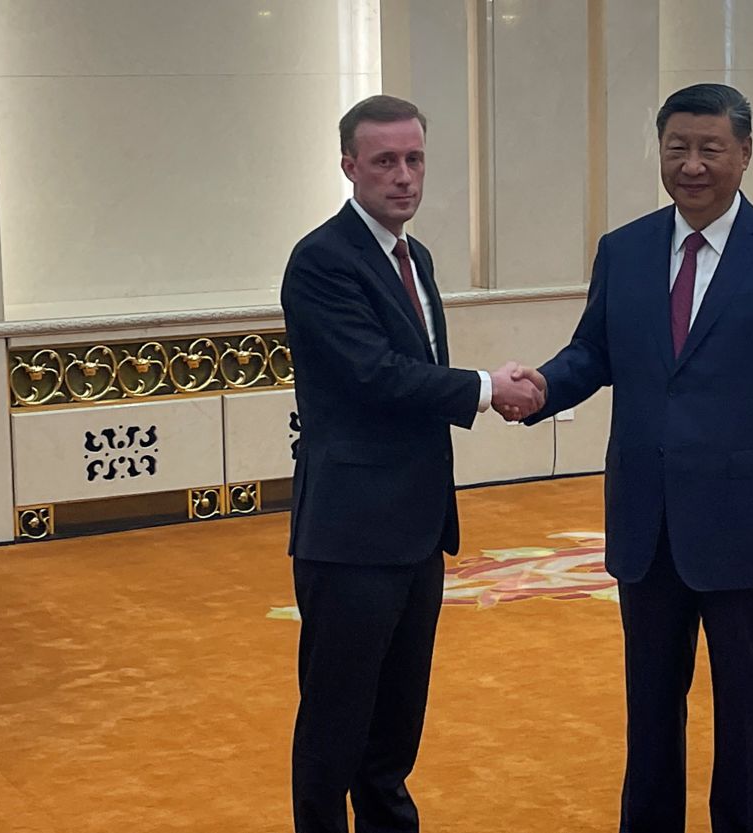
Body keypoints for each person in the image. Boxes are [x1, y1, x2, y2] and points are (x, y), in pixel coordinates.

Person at [517, 84, 753, 833]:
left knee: (749, 705)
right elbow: (594, 351)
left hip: (749, 523)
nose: (692, 165)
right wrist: (540, 388)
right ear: (660, 152)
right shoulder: (625, 249)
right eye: (678, 148)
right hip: (647, 521)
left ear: (746, 153)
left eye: (711, 149)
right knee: (650, 706)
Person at [279, 95, 542, 833]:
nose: (403, 176)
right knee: (335, 731)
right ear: (349, 166)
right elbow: (376, 375)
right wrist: (489, 389)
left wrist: (483, 390)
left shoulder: (414, 257)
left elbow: (413, 378)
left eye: (415, 159)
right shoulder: (321, 260)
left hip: (419, 530)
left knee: (394, 732)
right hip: (351, 535)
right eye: (386, 161)